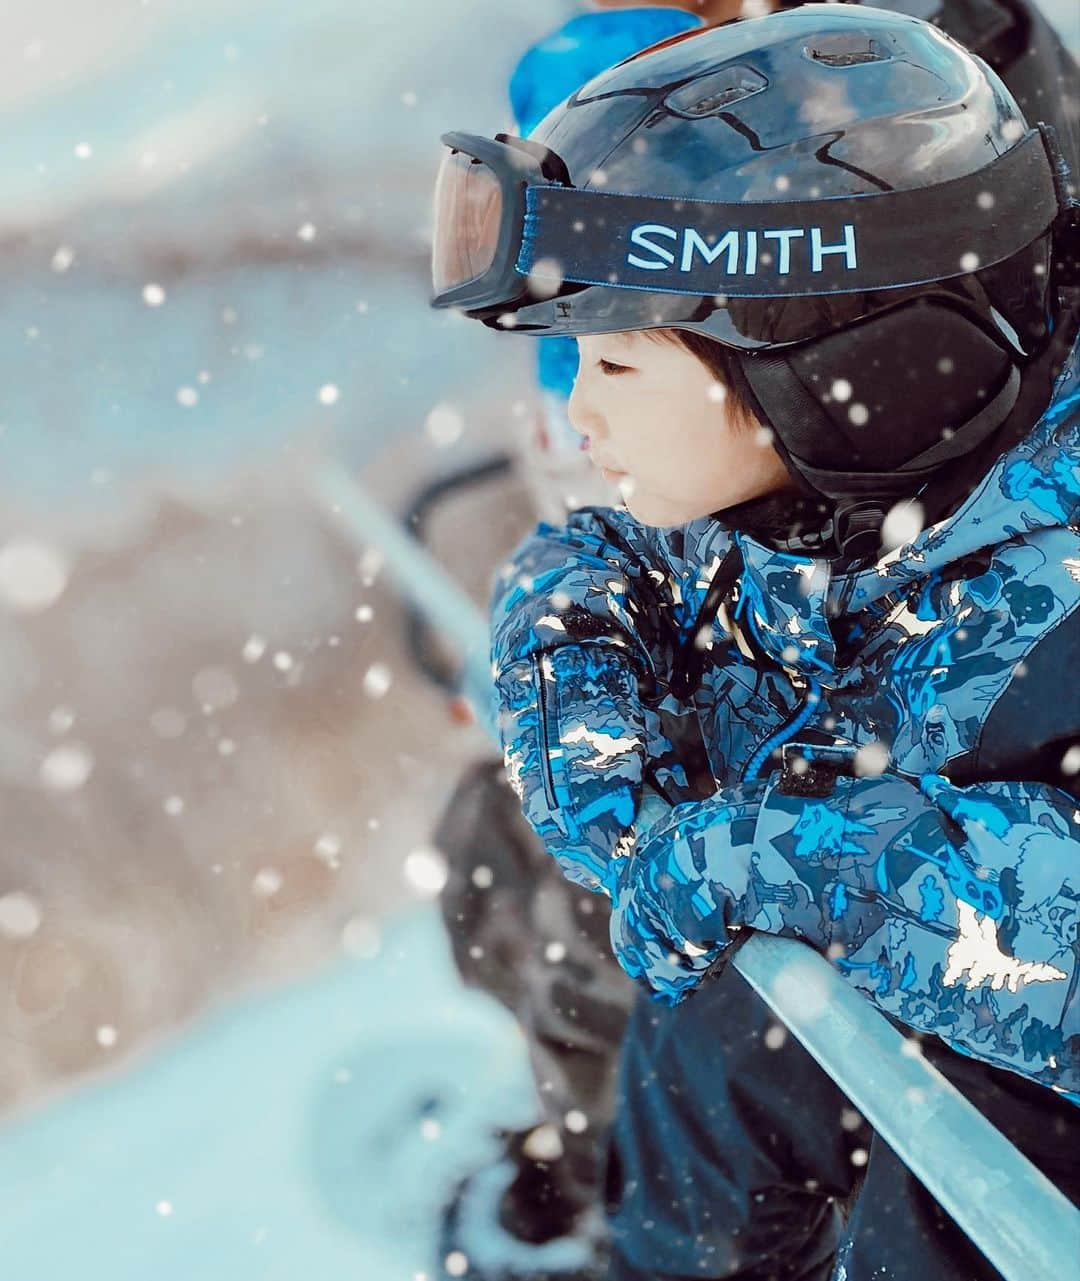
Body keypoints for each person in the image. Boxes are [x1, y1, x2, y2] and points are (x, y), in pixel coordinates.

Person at [431, 5, 1080, 1278]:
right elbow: (592, 558)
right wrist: (574, 675)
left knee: (948, 1180)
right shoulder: (823, 503)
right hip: (734, 1177)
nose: (580, 417)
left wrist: (789, 865)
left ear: (835, 364)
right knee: (703, 1005)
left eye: (616, 366)